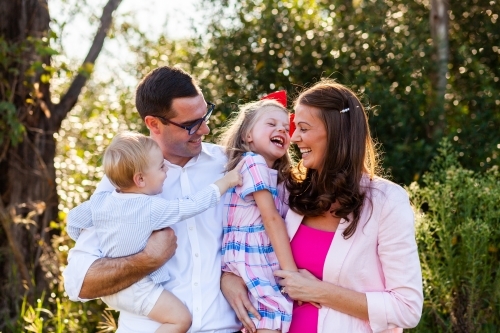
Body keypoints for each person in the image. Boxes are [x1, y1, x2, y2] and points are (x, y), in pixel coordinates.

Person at [221, 80, 423, 332]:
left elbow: (408, 309)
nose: (293, 138)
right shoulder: (291, 189)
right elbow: (251, 241)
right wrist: (228, 277)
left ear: (336, 133)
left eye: (303, 128)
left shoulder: (387, 201)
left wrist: (319, 291)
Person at [63, 66, 252, 333]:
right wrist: (148, 258)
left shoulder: (229, 166)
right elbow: (80, 282)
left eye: (205, 115)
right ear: (153, 124)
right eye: (190, 125)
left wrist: (232, 274)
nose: (206, 129)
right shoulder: (121, 188)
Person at [217, 99, 295, 333]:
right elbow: (271, 219)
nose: (281, 129)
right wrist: (292, 276)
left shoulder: (275, 175)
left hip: (256, 255)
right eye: (271, 123)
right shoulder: (253, 162)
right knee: (271, 313)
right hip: (252, 255)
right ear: (247, 135)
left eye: (286, 127)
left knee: (264, 318)